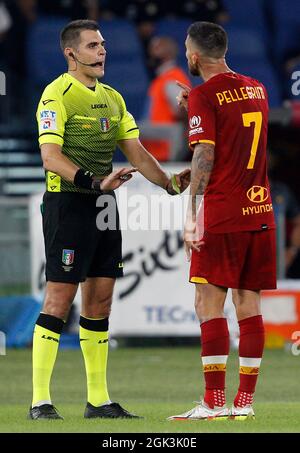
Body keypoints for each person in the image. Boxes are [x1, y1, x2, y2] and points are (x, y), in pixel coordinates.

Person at [29, 19, 190, 420]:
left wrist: (169, 184)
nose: (102, 51)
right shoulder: (56, 96)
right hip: (68, 202)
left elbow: (136, 154)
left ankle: (98, 401)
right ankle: (40, 402)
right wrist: (94, 181)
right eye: (92, 45)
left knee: (100, 301)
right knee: (60, 298)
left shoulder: (114, 99)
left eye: (102, 44)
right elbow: (50, 157)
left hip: (103, 206)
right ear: (71, 54)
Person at [168, 21, 276, 421]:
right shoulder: (257, 87)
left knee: (207, 303)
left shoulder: (204, 95)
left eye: (185, 50)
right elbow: (234, 140)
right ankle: (243, 406)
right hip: (260, 210)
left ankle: (212, 403)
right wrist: (195, 105)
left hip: (224, 213)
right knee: (249, 305)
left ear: (194, 55)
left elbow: (206, 156)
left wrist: (192, 216)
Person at [144, 36, 192, 161]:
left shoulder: (172, 79)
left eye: (155, 49)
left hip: (167, 152)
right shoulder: (162, 79)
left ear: (167, 53)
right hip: (157, 151)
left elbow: (183, 109)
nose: (151, 54)